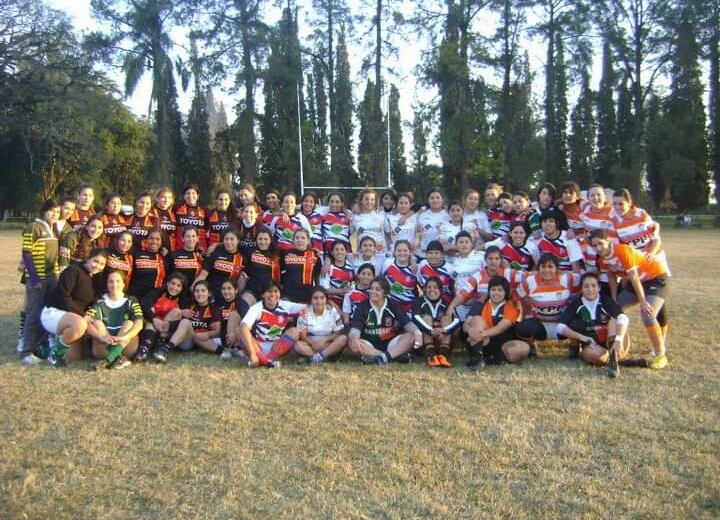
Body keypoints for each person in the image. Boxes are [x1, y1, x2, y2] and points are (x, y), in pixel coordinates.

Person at [590, 229, 670, 369]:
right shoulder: (602, 260)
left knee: (647, 314)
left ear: (608, 242)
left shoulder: (622, 250)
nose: (598, 248)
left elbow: (633, 277)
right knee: (615, 311)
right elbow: (612, 278)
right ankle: (615, 348)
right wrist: (614, 300)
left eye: (600, 244)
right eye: (594, 246)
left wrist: (643, 301)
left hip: (655, 278)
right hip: (638, 282)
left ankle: (660, 355)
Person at [41, 248, 108, 366]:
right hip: (54, 313)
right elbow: (62, 296)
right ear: (88, 259)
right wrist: (82, 316)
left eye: (102, 264)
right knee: (80, 324)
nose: (98, 266)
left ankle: (50, 347)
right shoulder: (73, 270)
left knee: (75, 356)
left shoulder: (95, 278)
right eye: (95, 261)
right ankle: (53, 352)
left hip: (75, 318)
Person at [556, 272, 630, 378]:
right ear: (581, 289)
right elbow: (560, 327)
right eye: (586, 286)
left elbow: (623, 317)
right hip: (594, 345)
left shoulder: (605, 300)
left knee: (614, 319)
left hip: (616, 343)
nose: (590, 289)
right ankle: (614, 360)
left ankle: (614, 356)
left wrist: (619, 340)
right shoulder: (576, 304)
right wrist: (582, 337)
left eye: (593, 285)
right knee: (590, 354)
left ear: (599, 287)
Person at [19, 199, 60, 365]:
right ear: (44, 211)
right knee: (34, 313)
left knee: (46, 313)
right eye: (51, 211)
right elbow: (26, 254)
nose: (54, 214)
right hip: (38, 278)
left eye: (57, 212)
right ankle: (26, 351)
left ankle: (41, 347)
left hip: (52, 277)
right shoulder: (33, 227)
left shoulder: (52, 228)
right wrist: (34, 278)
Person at [514, 253, 580, 356]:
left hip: (562, 325)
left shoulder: (567, 279)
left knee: (578, 322)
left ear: (557, 269)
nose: (547, 270)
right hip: (540, 325)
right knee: (523, 327)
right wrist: (524, 318)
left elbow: (583, 283)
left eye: (550, 266)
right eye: (543, 266)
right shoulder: (529, 281)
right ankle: (531, 346)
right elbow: (521, 299)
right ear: (538, 268)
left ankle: (574, 347)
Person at [347, 277, 422, 365]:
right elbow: (355, 329)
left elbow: (407, 323)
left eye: (377, 289)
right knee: (352, 342)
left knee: (411, 336)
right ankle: (388, 356)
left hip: (391, 343)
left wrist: (417, 333)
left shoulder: (393, 305)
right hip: (369, 343)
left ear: (385, 292)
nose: (373, 292)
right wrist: (354, 338)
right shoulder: (362, 306)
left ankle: (379, 358)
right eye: (371, 289)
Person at [236, 281, 306, 368]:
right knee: (240, 330)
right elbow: (244, 327)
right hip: (258, 346)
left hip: (276, 346)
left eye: (276, 291)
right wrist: (252, 354)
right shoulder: (256, 308)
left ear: (280, 294)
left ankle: (264, 360)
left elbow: (307, 307)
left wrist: (326, 307)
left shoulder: (285, 305)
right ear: (262, 295)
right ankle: (266, 361)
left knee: (294, 331)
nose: (272, 294)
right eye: (269, 291)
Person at [85, 270, 144, 370]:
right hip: (104, 345)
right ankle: (118, 358)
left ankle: (107, 361)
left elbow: (139, 324)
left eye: (118, 281)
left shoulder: (131, 300)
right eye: (110, 281)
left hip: (125, 345)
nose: (114, 284)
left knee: (129, 323)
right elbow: (86, 322)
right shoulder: (99, 301)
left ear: (123, 284)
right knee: (97, 322)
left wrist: (124, 337)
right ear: (107, 284)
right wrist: (102, 337)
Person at [464, 276, 526, 369]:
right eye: (493, 289)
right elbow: (466, 324)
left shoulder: (511, 307)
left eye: (500, 290)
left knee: (523, 348)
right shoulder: (480, 304)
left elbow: (500, 328)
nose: (496, 293)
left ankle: (488, 360)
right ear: (489, 291)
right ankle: (477, 358)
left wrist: (482, 334)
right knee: (477, 319)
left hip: (501, 343)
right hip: (480, 342)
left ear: (505, 292)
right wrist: (470, 331)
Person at [158, 280, 222, 358]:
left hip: (196, 340)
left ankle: (166, 349)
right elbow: (175, 317)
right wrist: (182, 312)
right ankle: (160, 343)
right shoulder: (189, 304)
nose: (200, 293)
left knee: (186, 322)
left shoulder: (213, 309)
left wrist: (208, 334)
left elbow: (218, 331)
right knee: (175, 311)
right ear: (193, 293)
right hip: (182, 336)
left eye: (203, 291)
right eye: (197, 291)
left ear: (209, 294)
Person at [137, 272, 190, 362]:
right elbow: (144, 304)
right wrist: (154, 318)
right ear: (168, 283)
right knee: (150, 320)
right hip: (152, 327)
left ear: (182, 288)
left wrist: (170, 322)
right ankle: (144, 349)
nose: (174, 288)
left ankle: (160, 344)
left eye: (178, 285)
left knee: (176, 311)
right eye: (173, 283)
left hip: (167, 331)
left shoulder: (183, 300)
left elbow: (184, 322)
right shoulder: (157, 292)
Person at [412, 277, 461, 368]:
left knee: (446, 318)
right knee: (427, 318)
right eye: (429, 287)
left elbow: (458, 321)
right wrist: (430, 330)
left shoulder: (446, 303)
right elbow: (415, 318)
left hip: (442, 338)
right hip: (425, 340)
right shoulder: (419, 302)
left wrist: (445, 330)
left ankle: (443, 355)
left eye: (435, 287)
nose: (432, 290)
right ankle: (431, 355)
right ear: (424, 289)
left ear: (441, 290)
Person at [294, 287, 348, 364]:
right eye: (315, 298)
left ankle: (315, 358)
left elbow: (338, 332)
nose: (319, 301)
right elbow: (303, 336)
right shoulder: (304, 312)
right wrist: (314, 344)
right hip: (311, 344)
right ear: (311, 300)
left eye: (322, 298)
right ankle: (323, 357)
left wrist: (324, 341)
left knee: (343, 338)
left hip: (328, 343)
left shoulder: (332, 311)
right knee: (298, 345)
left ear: (326, 299)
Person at [194, 229, 246, 303]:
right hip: (210, 293)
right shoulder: (215, 252)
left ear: (238, 240)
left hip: (227, 295)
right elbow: (203, 274)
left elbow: (241, 282)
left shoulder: (242, 259)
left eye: (232, 239)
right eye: (226, 239)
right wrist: (193, 287)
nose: (229, 242)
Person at [241, 227, 281, 305]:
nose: (262, 242)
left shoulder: (278, 254)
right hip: (252, 291)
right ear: (256, 240)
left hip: (270, 292)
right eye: (260, 239)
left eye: (266, 239)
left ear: (270, 240)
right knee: (244, 304)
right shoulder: (250, 251)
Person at [280, 228, 321, 303]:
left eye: (303, 238)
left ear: (308, 240)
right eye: (297, 238)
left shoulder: (315, 255)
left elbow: (317, 277)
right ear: (293, 240)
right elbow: (278, 271)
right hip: (288, 296)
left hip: (307, 297)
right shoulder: (285, 254)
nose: (299, 240)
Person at [127, 228, 170, 298]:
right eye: (151, 238)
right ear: (146, 240)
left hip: (154, 297)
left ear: (162, 241)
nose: (154, 241)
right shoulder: (137, 254)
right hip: (135, 295)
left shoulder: (165, 257)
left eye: (157, 239)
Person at [217, 279, 250, 361]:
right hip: (222, 337)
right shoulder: (219, 303)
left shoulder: (241, 303)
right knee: (199, 337)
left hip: (237, 336)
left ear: (236, 290)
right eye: (223, 289)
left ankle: (231, 348)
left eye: (229, 288)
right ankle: (228, 349)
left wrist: (235, 333)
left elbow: (246, 323)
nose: (226, 291)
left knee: (233, 315)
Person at [381, 240, 418, 314]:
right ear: (394, 252)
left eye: (405, 250)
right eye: (399, 250)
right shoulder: (387, 264)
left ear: (409, 252)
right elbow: (381, 282)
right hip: (391, 306)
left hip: (409, 306)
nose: (402, 253)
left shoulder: (415, 268)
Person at [319, 240, 354, 308]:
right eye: (336, 250)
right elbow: (324, 290)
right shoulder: (327, 269)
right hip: (332, 302)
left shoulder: (351, 264)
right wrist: (342, 290)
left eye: (342, 249)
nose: (339, 252)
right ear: (332, 252)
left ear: (346, 252)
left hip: (349, 302)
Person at [416, 188, 449, 257]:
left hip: (444, 255)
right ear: (428, 200)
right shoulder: (422, 215)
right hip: (424, 255)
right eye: (432, 198)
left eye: (438, 197)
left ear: (442, 199)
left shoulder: (449, 214)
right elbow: (417, 235)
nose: (435, 200)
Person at [169, 226, 204, 292]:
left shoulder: (201, 255)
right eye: (188, 236)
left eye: (193, 236)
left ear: (197, 238)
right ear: (183, 239)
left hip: (194, 292)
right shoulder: (174, 254)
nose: (191, 239)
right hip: (176, 291)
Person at [175, 184, 208, 251]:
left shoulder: (205, 210)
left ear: (198, 196)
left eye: (193, 193)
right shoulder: (176, 209)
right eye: (188, 193)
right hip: (181, 249)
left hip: (200, 250)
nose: (190, 196)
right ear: (184, 196)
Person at [352, 189, 386, 254]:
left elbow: (390, 234)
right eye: (366, 199)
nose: (369, 201)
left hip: (380, 253)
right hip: (362, 254)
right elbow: (354, 236)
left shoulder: (381, 215)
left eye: (372, 199)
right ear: (361, 201)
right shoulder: (355, 217)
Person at [153, 186, 178, 251]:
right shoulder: (150, 212)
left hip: (171, 252)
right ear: (157, 198)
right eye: (163, 197)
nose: (166, 200)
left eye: (169, 198)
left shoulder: (174, 213)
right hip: (155, 251)